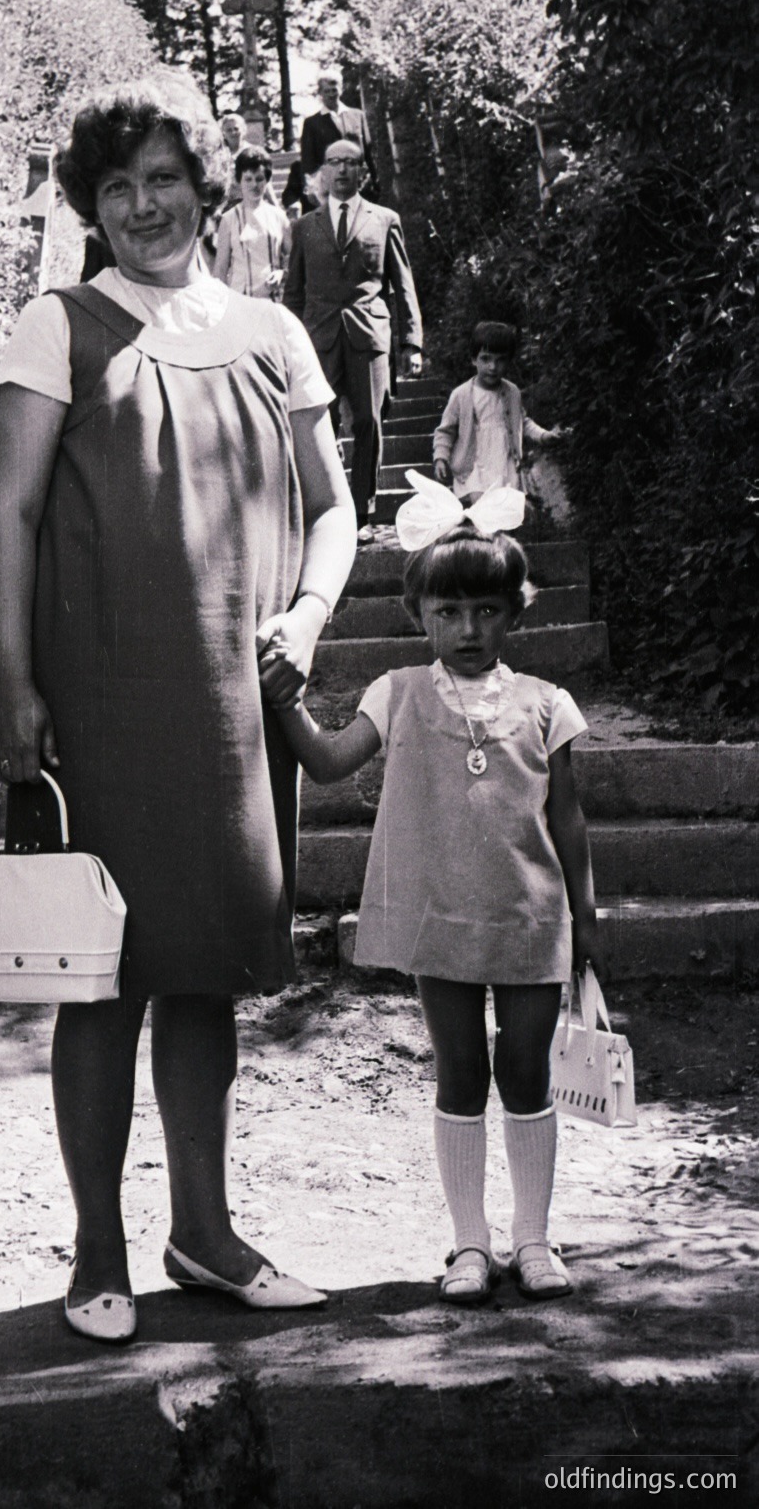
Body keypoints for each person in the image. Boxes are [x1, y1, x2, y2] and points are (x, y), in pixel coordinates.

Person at [0, 76, 357, 1344]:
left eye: (164, 181)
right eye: (117, 188)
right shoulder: (60, 325)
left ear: (209, 189)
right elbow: (13, 514)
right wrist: (11, 681)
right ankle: (98, 1251)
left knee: (204, 970)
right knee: (103, 980)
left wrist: (306, 616)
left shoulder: (274, 334)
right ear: (96, 206)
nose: (144, 206)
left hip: (237, 698)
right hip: (98, 698)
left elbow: (334, 507)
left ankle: (205, 1232)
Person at [261, 478, 602, 1305]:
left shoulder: (546, 705)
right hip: (438, 915)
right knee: (459, 1070)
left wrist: (586, 927)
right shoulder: (397, 691)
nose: (467, 629)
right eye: (448, 612)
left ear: (513, 613)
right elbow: (330, 761)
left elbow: (569, 822)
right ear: (420, 615)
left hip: (529, 917)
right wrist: (287, 704)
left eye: (485, 611)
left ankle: (531, 1237)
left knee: (524, 1072)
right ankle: (468, 1245)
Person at [284, 137, 423, 538]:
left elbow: (403, 283)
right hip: (317, 340)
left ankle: (361, 512)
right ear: (323, 172)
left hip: (369, 335)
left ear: (363, 171)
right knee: (319, 424)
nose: (342, 170)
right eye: (334, 162)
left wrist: (411, 342)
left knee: (368, 421)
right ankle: (326, 509)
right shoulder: (305, 227)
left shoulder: (384, 219)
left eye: (351, 163)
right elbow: (294, 293)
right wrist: (286, 347)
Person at [434, 321, 566, 500]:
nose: (493, 367)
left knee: (504, 513)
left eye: (500, 360)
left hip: (504, 463)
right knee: (483, 510)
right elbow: (445, 431)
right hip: (475, 466)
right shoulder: (462, 395)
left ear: (509, 361)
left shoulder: (512, 392)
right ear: (474, 359)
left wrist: (543, 435)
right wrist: (440, 458)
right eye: (486, 359)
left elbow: (523, 422)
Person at [213, 145, 291, 300]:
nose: (254, 185)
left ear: (267, 180)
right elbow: (221, 269)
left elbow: (293, 258)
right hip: (241, 302)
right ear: (239, 180)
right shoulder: (229, 219)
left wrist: (282, 273)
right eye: (248, 179)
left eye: (259, 179)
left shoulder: (278, 216)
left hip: (273, 302)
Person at [300, 65, 378, 199]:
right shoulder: (312, 123)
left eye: (334, 90)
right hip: (331, 187)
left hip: (360, 184)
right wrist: (313, 187)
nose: (331, 94)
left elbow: (369, 152)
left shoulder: (357, 116)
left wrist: (375, 180)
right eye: (326, 91)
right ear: (320, 93)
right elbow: (308, 161)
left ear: (340, 89)